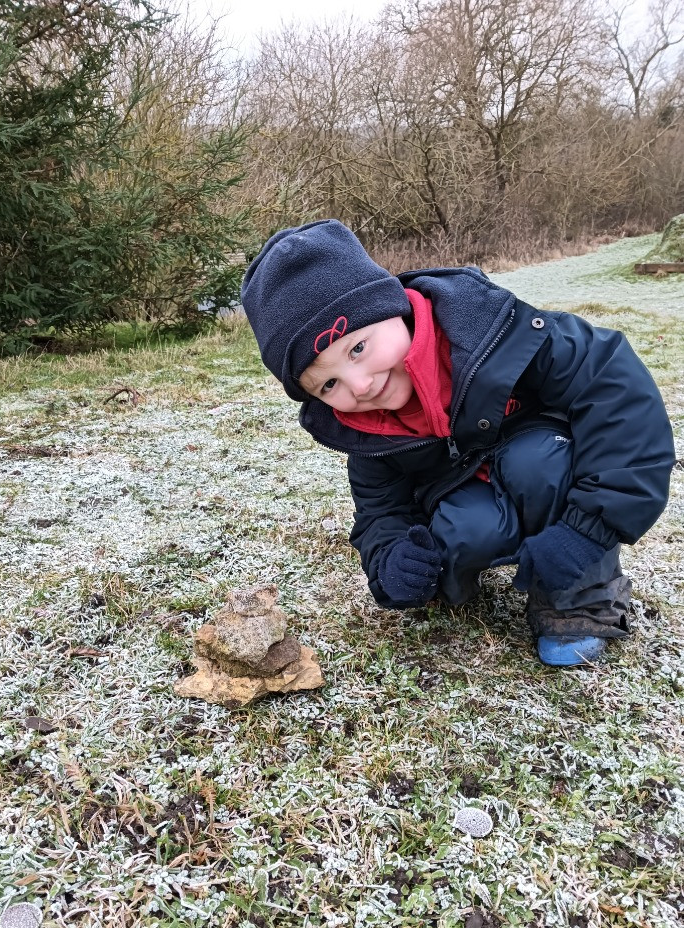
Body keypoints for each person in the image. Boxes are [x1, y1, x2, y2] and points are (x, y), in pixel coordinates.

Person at [240, 220, 675, 666]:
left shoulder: (495, 330)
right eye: (328, 384)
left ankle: (582, 602)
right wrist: (391, 563)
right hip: (465, 490)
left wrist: (586, 532)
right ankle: (457, 580)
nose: (361, 385)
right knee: (467, 527)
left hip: (546, 458)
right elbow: (379, 511)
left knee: (538, 463)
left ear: (393, 308)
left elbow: (614, 390)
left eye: (358, 349)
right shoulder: (365, 428)